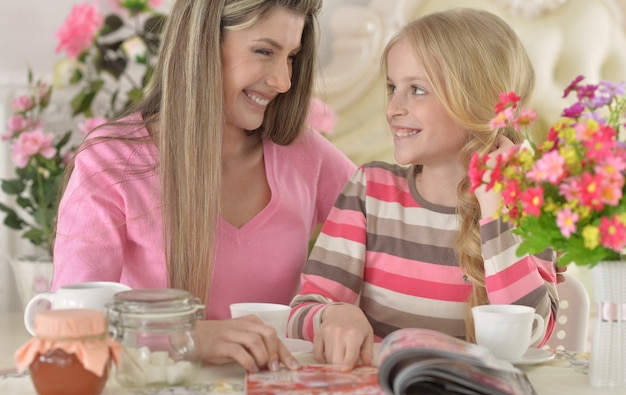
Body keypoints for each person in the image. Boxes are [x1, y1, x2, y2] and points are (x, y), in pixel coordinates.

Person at [51, 0, 356, 373]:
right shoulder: (110, 163)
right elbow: (69, 328)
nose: (283, 80)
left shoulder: (305, 154)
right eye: (264, 51)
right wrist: (188, 336)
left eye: (291, 56)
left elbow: (392, 229)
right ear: (198, 45)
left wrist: (342, 314)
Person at [287, 8, 559, 371]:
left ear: (477, 102)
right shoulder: (370, 191)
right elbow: (301, 311)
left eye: (416, 90)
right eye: (391, 88)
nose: (393, 108)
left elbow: (532, 336)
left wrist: (496, 211)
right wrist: (332, 315)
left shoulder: (527, 206)